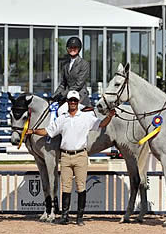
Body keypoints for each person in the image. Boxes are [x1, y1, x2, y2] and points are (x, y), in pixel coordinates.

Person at [27, 90, 116, 225]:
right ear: (67, 102)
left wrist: (110, 116)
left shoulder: (86, 117)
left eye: (75, 100)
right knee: (66, 187)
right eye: (71, 100)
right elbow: (48, 131)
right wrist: (33, 131)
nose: (73, 102)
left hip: (80, 155)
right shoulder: (62, 118)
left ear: (78, 101)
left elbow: (101, 124)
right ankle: (65, 216)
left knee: (81, 187)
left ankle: (80, 217)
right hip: (66, 156)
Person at [51, 36, 92, 114]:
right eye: (70, 47)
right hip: (67, 96)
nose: (72, 49)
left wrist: (63, 95)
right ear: (67, 49)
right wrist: (53, 96)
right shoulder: (65, 65)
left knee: (61, 110)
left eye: (75, 47)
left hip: (79, 96)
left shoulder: (84, 64)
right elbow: (63, 84)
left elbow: (78, 84)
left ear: (79, 49)